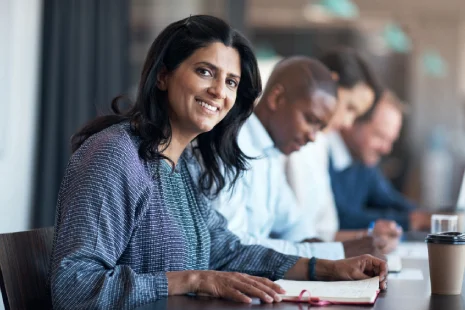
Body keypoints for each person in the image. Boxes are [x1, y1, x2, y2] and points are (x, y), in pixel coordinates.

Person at [49, 15, 388, 309]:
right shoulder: (115, 154)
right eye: (205, 72)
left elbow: (226, 250)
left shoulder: (181, 165)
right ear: (163, 76)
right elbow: (74, 287)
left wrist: (328, 268)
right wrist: (191, 280)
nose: (219, 91)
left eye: (231, 82)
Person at [209, 55, 388, 261]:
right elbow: (234, 245)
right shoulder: (232, 143)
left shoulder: (271, 152)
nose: (313, 137)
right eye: (310, 120)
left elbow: (295, 227)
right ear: (276, 99)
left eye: (320, 127)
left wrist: (338, 256)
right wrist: (334, 253)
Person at [285, 49, 402, 253]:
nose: (348, 124)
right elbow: (296, 236)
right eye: (350, 108)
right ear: (330, 83)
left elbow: (324, 229)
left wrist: (367, 238)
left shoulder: (319, 143)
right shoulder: (294, 143)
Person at [329, 90, 430, 231]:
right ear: (353, 120)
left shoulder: (363, 161)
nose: (386, 149)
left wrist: (427, 216)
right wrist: (409, 221)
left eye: (390, 141)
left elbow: (389, 200)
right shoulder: (324, 153)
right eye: (380, 136)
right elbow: (339, 218)